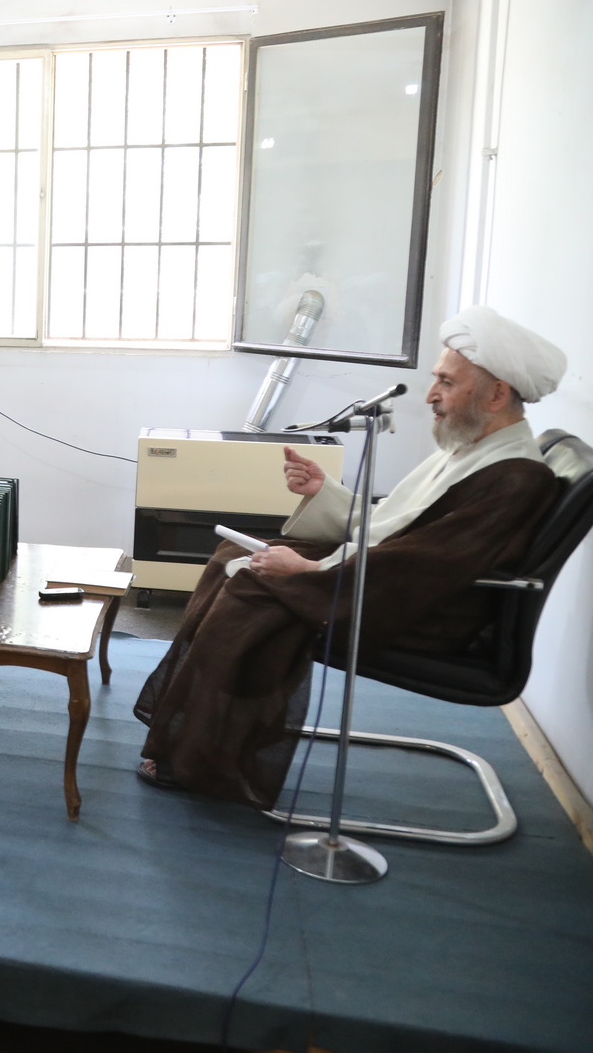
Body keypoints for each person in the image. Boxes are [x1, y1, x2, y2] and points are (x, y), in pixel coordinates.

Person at [134, 306, 568, 808]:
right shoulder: (475, 448)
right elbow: (399, 524)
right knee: (234, 553)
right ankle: (196, 734)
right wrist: (327, 492)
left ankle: (207, 758)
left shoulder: (515, 477)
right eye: (437, 381)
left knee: (253, 589)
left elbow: (424, 565)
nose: (431, 395)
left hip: (425, 613)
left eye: (446, 383)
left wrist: (312, 572)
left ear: (496, 395)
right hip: (394, 581)